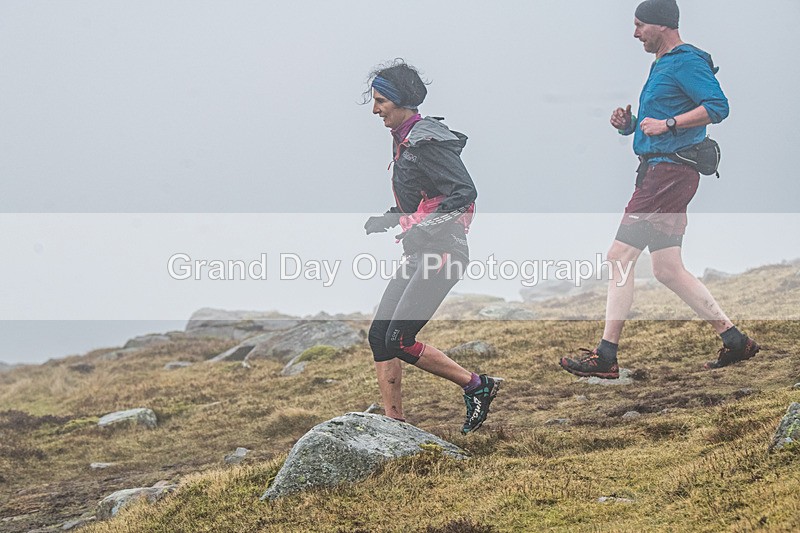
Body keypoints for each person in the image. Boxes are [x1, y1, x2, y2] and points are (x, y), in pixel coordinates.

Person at [559, 0, 760, 379]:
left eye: (640, 25)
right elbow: (658, 123)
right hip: (663, 173)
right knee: (667, 268)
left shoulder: (685, 61)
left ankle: (606, 356)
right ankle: (735, 341)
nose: (635, 34)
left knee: (619, 257)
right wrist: (630, 124)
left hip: (667, 175)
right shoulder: (662, 64)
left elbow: (718, 106)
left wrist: (669, 124)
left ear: (662, 25)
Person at [362, 59, 502, 434]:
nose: (375, 110)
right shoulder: (406, 140)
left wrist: (424, 232)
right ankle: (394, 422)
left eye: (380, 101)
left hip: (443, 252)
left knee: (399, 339)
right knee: (380, 337)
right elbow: (427, 197)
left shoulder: (426, 140)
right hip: (422, 250)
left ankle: (477, 385)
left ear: (400, 100)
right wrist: (391, 218)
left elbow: (464, 192)